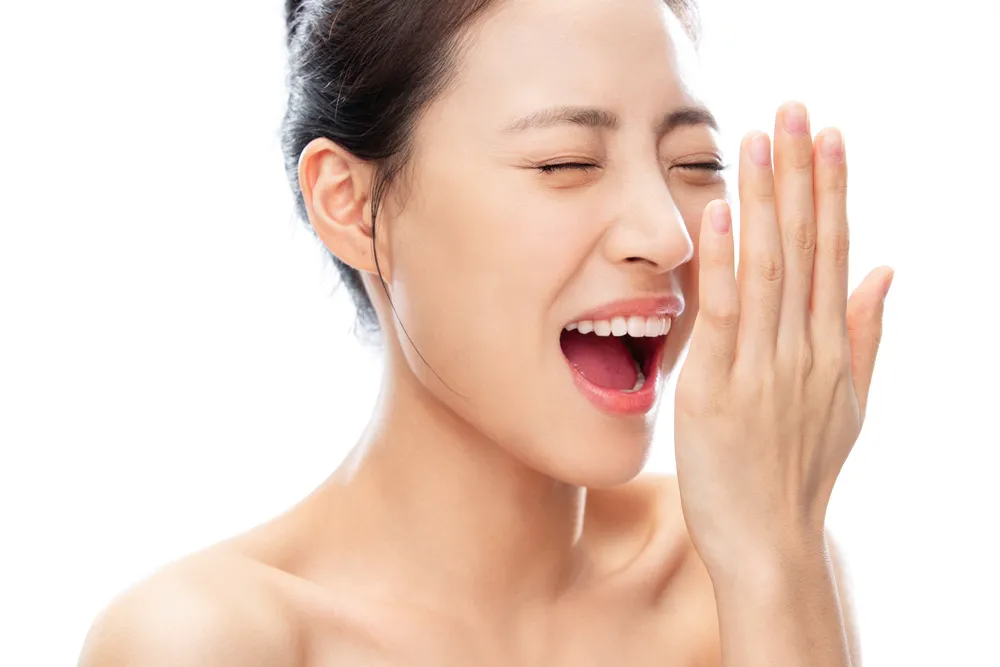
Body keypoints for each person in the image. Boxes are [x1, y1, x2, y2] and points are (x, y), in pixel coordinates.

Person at [78, 0, 893, 664]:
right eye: (565, 162)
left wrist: (774, 552)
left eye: (693, 164)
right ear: (351, 205)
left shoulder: (743, 566)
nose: (667, 234)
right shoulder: (207, 641)